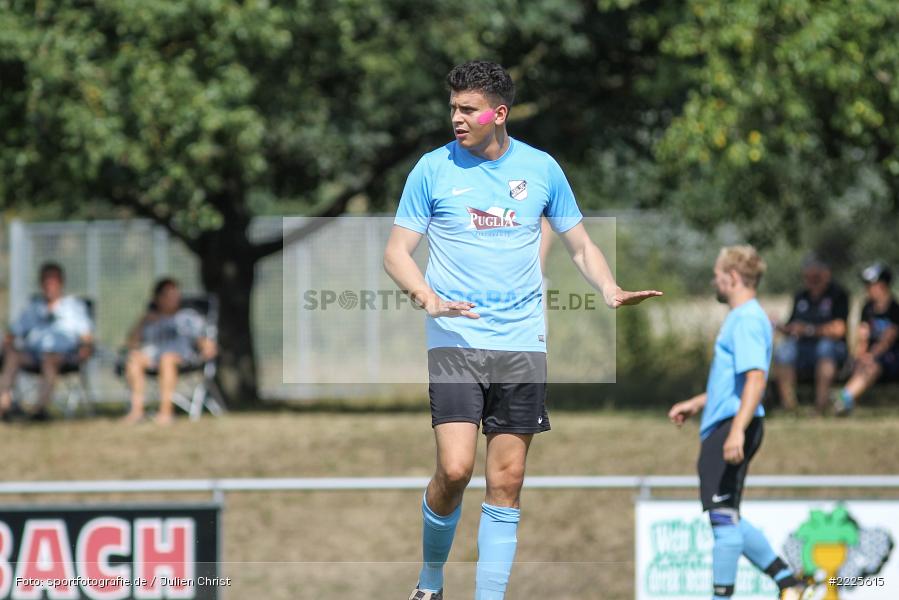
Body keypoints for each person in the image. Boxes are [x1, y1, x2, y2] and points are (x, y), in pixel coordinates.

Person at [384, 60, 662, 600]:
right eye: (453, 108)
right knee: (456, 468)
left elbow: (579, 243)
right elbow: (396, 253)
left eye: (468, 109)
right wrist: (430, 298)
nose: (457, 118)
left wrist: (608, 287)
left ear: (499, 113)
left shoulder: (541, 169)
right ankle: (431, 581)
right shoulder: (431, 169)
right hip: (457, 340)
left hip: (521, 342)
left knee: (506, 482)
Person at [668, 246, 807, 600]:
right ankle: (789, 584)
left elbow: (756, 380)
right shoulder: (744, 317)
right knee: (728, 516)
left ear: (731, 278)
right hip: (728, 420)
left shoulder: (746, 319)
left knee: (723, 522)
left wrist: (736, 430)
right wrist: (698, 403)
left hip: (733, 425)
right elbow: (733, 382)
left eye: (717, 275)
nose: (714, 280)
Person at [0, 262, 93, 421]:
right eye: (45, 281)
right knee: (12, 355)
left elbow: (86, 336)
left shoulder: (73, 306)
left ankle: (39, 410)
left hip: (63, 356)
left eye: (53, 281)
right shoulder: (34, 308)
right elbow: (13, 333)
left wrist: (85, 349)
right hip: (33, 355)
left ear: (61, 282)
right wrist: (6, 345)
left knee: (50, 359)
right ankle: (4, 404)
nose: (49, 286)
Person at [122, 278, 216, 425]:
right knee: (134, 358)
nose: (174, 298)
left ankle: (166, 412)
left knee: (167, 359)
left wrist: (208, 347)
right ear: (157, 298)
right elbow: (131, 343)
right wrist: (143, 321)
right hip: (153, 357)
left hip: (181, 357)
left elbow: (202, 340)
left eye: (176, 294)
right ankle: (137, 411)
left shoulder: (187, 317)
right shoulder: (150, 319)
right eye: (168, 295)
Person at [771, 257, 849, 414]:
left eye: (815, 277)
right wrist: (778, 325)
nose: (811, 281)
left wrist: (809, 330)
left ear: (825, 275)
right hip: (802, 349)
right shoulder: (801, 296)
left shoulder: (838, 295)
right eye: (807, 277)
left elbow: (839, 329)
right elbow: (791, 326)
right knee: (783, 350)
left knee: (825, 348)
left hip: (831, 349)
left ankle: (820, 406)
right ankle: (790, 407)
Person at [832, 263, 899, 416]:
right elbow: (863, 335)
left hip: (891, 358)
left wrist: (871, 356)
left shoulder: (895, 309)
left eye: (870, 285)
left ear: (882, 286)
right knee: (861, 365)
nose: (867, 289)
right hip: (872, 357)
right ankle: (846, 403)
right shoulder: (867, 308)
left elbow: (887, 340)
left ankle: (844, 398)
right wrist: (860, 356)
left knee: (871, 367)